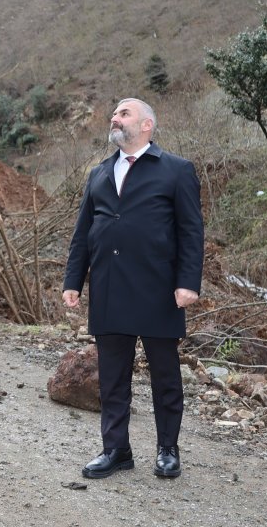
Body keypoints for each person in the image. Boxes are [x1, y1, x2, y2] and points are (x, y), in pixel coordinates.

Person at [62, 97, 204, 479]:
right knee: (112, 376)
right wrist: (73, 280)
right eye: (114, 113)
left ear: (146, 126)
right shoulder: (98, 173)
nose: (115, 117)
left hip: (159, 289)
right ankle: (116, 449)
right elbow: (83, 234)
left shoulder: (175, 170)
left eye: (124, 113)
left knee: (165, 374)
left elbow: (191, 232)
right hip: (109, 286)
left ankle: (168, 450)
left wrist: (188, 282)